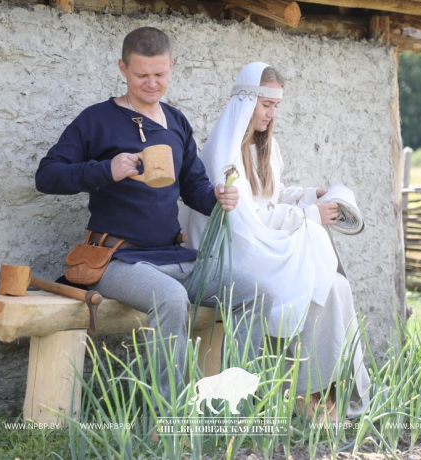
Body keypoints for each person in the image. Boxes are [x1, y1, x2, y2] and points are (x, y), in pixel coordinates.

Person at [35, 28, 271, 409]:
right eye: (142, 75)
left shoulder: (176, 122)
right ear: (122, 68)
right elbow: (46, 176)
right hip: (116, 259)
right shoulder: (96, 120)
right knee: (171, 299)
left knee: (255, 294)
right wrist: (104, 170)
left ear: (171, 67)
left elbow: (193, 187)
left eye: (160, 74)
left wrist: (217, 198)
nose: (151, 83)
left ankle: (241, 405)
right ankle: (169, 415)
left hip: (173, 256)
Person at [184, 62, 371, 421]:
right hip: (237, 255)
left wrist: (306, 195)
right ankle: (302, 394)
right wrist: (309, 215)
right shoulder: (224, 154)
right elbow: (245, 222)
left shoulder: (261, 147)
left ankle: (331, 388)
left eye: (275, 107)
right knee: (312, 290)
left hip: (263, 248)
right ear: (247, 100)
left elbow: (271, 196)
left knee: (335, 286)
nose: (270, 115)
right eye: (265, 105)